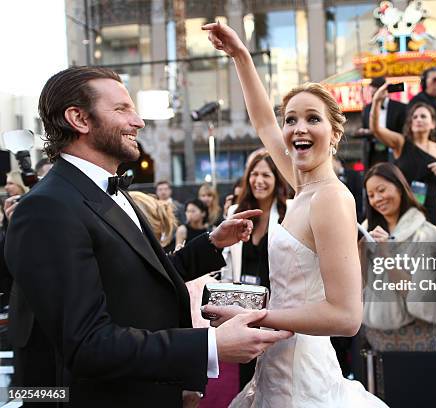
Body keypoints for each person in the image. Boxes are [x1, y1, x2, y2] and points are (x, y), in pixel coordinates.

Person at [4, 66, 292, 407]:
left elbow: (138, 279)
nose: (138, 121)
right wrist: (209, 346)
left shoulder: (106, 189)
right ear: (79, 119)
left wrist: (211, 244)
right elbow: (87, 343)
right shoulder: (47, 208)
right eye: (122, 109)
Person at [202, 22, 387, 407]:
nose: (298, 128)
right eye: (291, 119)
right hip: (277, 364)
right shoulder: (303, 188)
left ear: (336, 134)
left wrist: (258, 318)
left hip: (304, 375)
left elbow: (346, 316)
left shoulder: (331, 200)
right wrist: (240, 55)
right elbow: (263, 123)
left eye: (312, 119)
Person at [223, 151, 289, 388]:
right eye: (254, 174)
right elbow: (229, 261)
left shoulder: (288, 213)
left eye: (266, 175)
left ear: (277, 179)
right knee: (247, 379)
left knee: (277, 378)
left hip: (278, 310)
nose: (259, 180)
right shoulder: (235, 213)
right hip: (243, 310)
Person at [362, 163, 436, 354]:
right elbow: (360, 287)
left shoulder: (427, 235)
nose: (377, 199)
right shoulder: (368, 233)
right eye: (371, 195)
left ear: (399, 187)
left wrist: (386, 254)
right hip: (374, 337)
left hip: (416, 338)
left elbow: (420, 296)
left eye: (381, 190)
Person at [370, 98, 436, 226]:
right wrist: (377, 101)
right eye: (415, 117)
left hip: (434, 206)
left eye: (423, 116)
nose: (418, 119)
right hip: (407, 206)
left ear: (433, 124)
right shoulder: (400, 143)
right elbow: (376, 129)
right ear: (410, 123)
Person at [357, 77, 408, 167]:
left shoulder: (400, 108)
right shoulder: (367, 109)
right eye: (372, 90)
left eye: (377, 90)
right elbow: (366, 126)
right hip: (373, 152)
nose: (374, 93)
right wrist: (364, 131)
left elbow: (403, 131)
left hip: (392, 150)